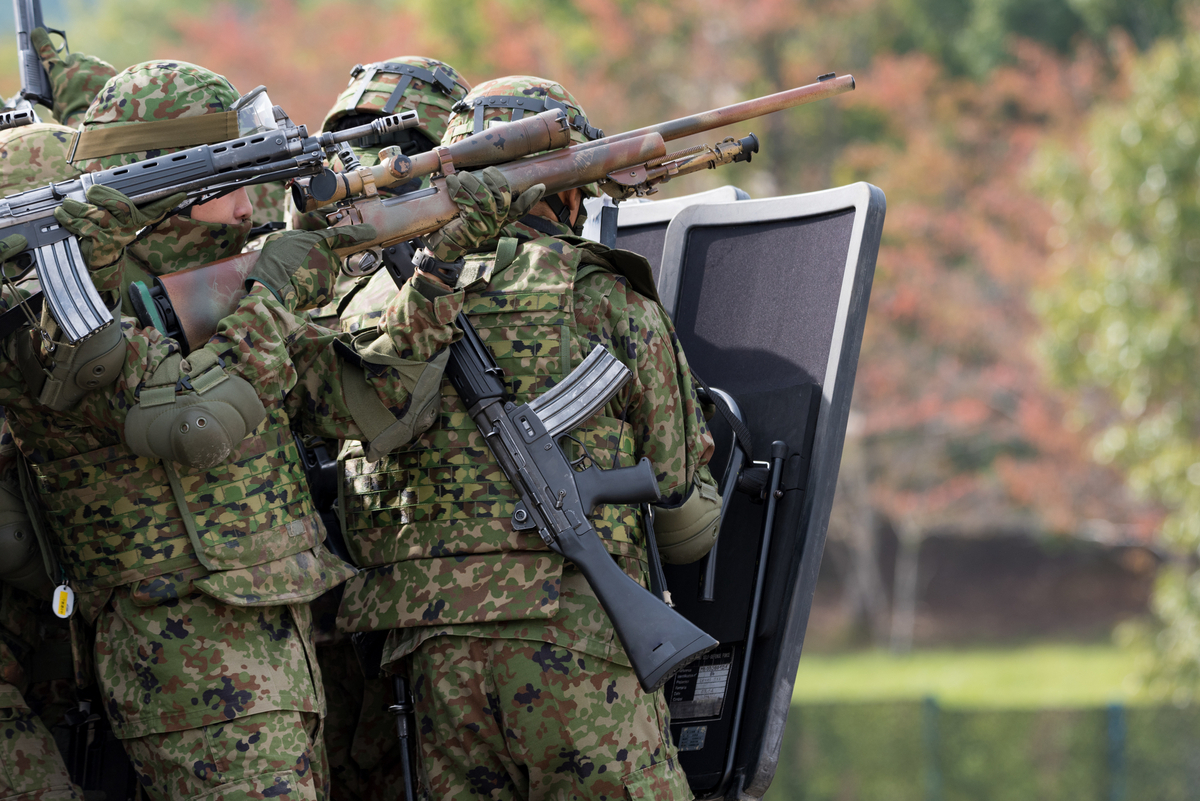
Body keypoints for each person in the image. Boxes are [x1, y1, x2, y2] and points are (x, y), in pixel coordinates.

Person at [333, 76, 723, 800]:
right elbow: (676, 492)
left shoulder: (374, 302)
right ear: (567, 187)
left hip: (431, 653)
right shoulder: (598, 293)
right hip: (574, 637)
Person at [292, 55, 472, 801]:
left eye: (389, 144)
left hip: (379, 593)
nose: (372, 161)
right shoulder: (297, 256)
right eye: (357, 143)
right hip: (351, 590)